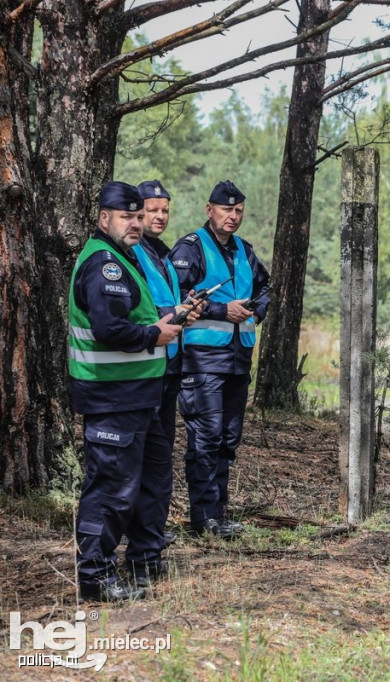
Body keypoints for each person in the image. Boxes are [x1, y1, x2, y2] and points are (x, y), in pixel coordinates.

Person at [69, 181, 182, 601]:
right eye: (126, 217)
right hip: (111, 395)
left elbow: (132, 315)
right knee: (111, 488)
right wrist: (155, 334)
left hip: (140, 394)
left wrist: (164, 321)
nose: (135, 224)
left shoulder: (126, 256)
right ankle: (96, 579)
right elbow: (109, 329)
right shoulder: (104, 263)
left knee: (150, 482)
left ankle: (144, 562)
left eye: (138, 217)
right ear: (104, 218)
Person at [169, 180, 271, 538]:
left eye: (238, 210)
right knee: (206, 436)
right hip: (201, 360)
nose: (233, 216)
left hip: (238, 359)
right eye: (226, 209)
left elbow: (265, 288)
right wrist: (219, 309)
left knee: (228, 438)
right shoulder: (190, 248)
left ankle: (219, 513)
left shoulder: (244, 249)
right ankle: (204, 518)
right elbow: (174, 295)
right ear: (209, 210)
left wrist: (255, 312)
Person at [125, 179, 199, 586]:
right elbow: (138, 314)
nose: (157, 217)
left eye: (163, 211)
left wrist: (188, 309)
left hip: (168, 369)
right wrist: (175, 312)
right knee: (138, 465)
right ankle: (139, 550)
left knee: (158, 465)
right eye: (150, 211)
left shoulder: (163, 254)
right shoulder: (130, 254)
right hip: (143, 372)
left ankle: (149, 545)